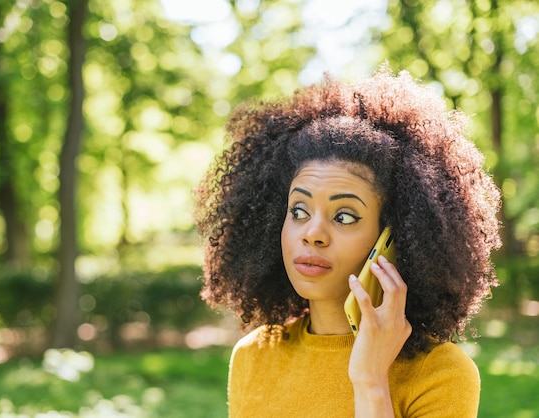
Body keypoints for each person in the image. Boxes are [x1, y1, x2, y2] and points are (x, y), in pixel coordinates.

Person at [192, 67, 502, 417]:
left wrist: (370, 380)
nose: (312, 233)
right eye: (298, 210)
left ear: (395, 238)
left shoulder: (441, 374)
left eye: (344, 217)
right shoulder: (253, 355)